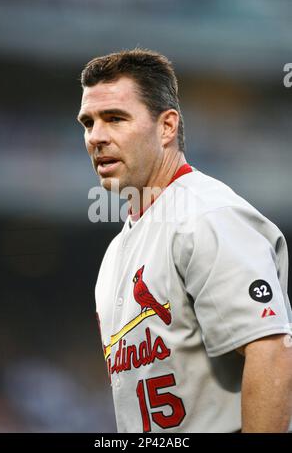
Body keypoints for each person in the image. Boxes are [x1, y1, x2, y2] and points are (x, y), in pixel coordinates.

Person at [77, 48, 292, 433]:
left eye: (115, 119)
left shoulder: (207, 215)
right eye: (88, 123)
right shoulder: (116, 251)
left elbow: (271, 351)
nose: (96, 137)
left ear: (167, 127)